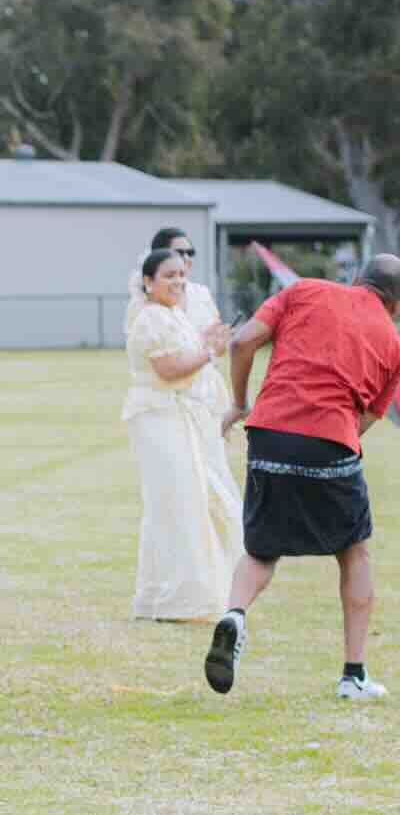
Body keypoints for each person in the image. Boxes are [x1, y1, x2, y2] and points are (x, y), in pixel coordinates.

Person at [207, 254, 400, 700]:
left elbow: (241, 343)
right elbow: (369, 415)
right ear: (395, 305)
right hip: (332, 440)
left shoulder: (305, 290)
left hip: (269, 434)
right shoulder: (392, 341)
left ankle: (234, 615)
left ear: (354, 279)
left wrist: (239, 403)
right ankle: (353, 675)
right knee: (354, 553)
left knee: (261, 550)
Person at [124, 249, 239, 620]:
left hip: (181, 415)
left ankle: (176, 597)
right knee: (176, 503)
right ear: (148, 282)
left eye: (180, 275)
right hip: (160, 416)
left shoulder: (173, 314)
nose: (177, 282)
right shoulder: (148, 318)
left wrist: (207, 343)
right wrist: (209, 351)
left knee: (186, 502)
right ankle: (176, 599)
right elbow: (170, 367)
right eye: (168, 276)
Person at [126, 225, 231, 415]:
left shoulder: (201, 294)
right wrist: (207, 352)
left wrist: (217, 344)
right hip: (166, 396)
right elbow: (161, 360)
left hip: (205, 389)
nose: (186, 258)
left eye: (190, 252)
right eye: (179, 252)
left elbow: (215, 346)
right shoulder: (145, 307)